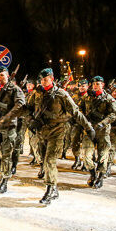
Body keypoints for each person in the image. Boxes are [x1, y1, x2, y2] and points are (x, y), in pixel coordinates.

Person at [26, 68, 94, 204]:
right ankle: (55, 188)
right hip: (41, 133)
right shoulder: (37, 93)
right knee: (43, 160)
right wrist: (30, 121)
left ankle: (50, 189)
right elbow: (27, 108)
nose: (43, 82)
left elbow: (75, 112)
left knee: (50, 160)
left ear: (52, 78)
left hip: (57, 132)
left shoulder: (61, 94)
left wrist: (88, 127)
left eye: (46, 79)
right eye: (41, 80)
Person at [0, 66, 25, 193]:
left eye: (2, 75)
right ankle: (4, 169)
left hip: (9, 126)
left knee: (6, 154)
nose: (0, 77)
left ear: (8, 76)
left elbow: (20, 104)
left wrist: (7, 117)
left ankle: (4, 179)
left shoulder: (15, 90)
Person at [79, 76, 116, 188]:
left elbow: (115, 113)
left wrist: (103, 122)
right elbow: (79, 109)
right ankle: (92, 174)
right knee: (86, 156)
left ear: (103, 84)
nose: (95, 85)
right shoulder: (86, 97)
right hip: (89, 130)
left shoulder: (108, 98)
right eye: (94, 84)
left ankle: (100, 176)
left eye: (98, 83)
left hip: (103, 131)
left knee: (103, 155)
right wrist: (85, 121)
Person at [70, 79, 89, 170]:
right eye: (80, 86)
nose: (81, 88)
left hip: (87, 123)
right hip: (76, 123)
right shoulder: (74, 96)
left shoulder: (90, 96)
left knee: (87, 144)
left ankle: (86, 162)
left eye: (83, 86)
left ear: (87, 86)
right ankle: (77, 159)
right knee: (74, 141)